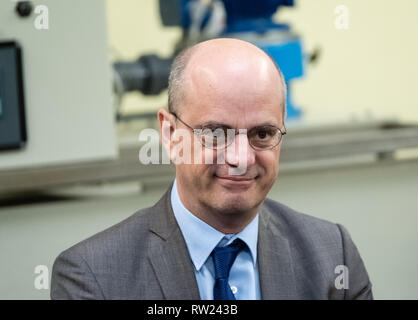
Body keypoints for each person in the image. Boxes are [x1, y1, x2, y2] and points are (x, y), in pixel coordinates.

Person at [51, 38, 373, 300]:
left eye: (262, 134)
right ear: (170, 135)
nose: (241, 158)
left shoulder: (333, 256)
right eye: (216, 134)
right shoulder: (93, 276)